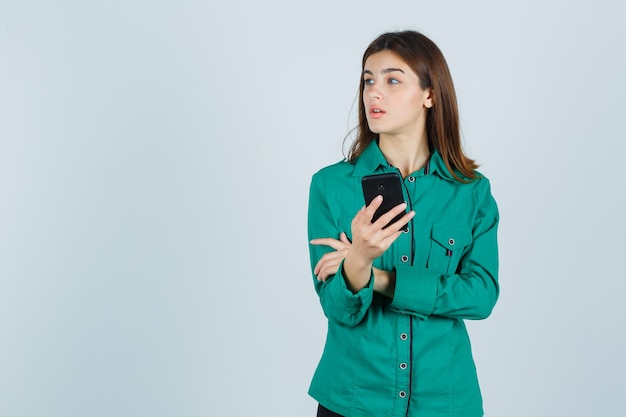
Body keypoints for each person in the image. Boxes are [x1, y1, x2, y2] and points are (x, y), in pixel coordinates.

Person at [307, 30, 499, 417]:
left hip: (443, 402)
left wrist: (377, 277)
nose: (374, 93)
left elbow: (480, 296)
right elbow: (338, 309)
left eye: (393, 80)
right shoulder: (330, 186)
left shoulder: (471, 192)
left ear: (429, 95)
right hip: (353, 399)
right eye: (368, 80)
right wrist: (359, 258)